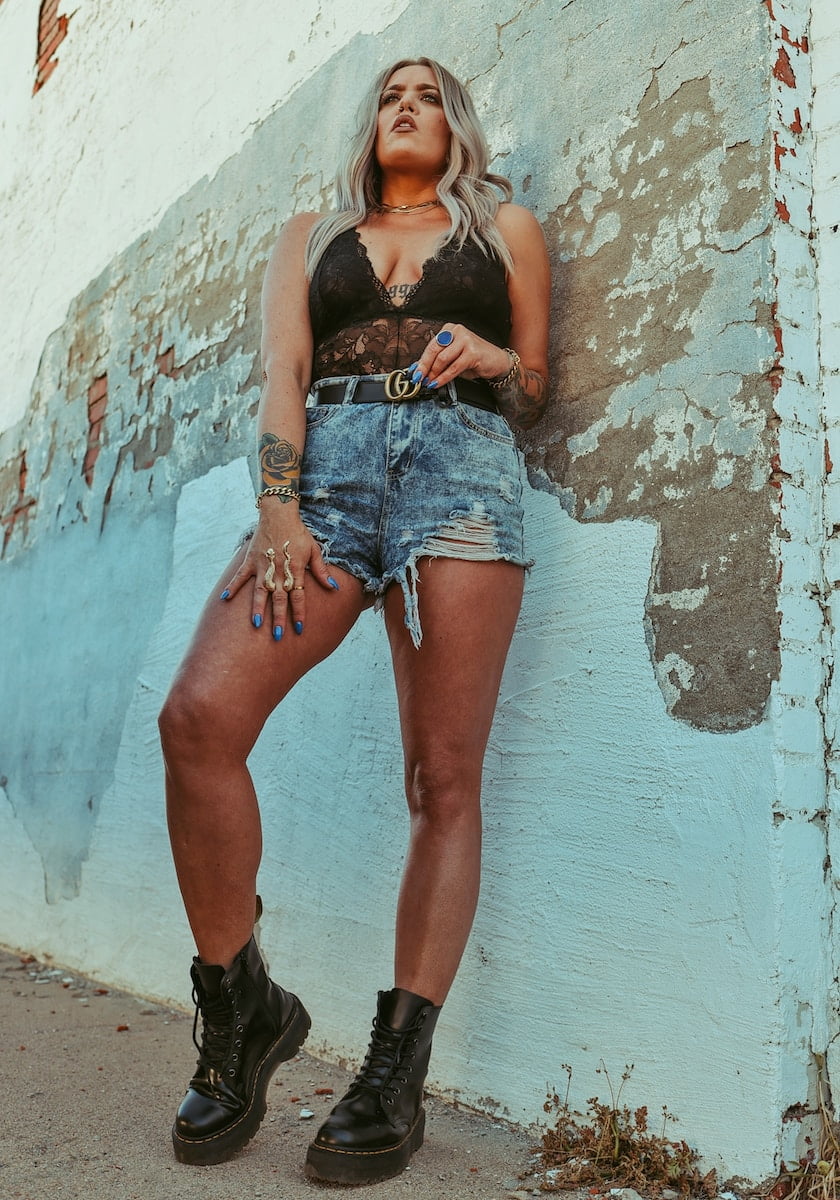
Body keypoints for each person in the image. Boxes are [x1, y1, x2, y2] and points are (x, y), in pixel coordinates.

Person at [158, 55, 550, 1186]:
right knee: (197, 720)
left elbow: (535, 382)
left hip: (462, 477)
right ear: (371, 128)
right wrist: (277, 512)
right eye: (390, 95)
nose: (407, 105)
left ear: (456, 122)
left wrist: (494, 357)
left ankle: (394, 1069)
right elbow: (284, 370)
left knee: (443, 780)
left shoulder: (503, 228)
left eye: (428, 93)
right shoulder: (309, 239)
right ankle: (242, 1008)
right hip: (322, 486)